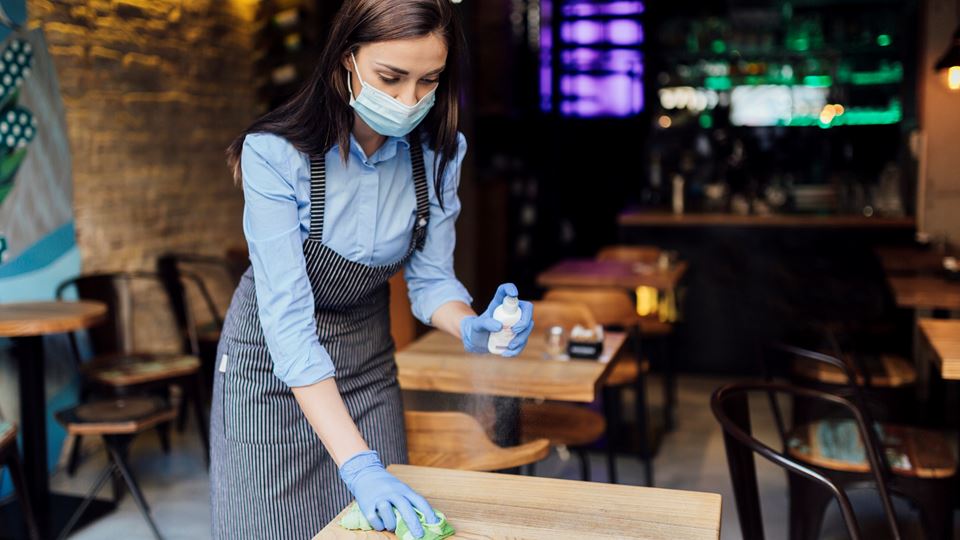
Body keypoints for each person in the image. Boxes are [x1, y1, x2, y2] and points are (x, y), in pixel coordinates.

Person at [211, 1, 534, 538]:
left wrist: (469, 324)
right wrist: (359, 465)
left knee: (386, 529)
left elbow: (431, 281)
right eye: (391, 77)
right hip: (268, 369)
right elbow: (288, 322)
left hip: (367, 365)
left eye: (428, 80)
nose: (410, 100)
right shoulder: (275, 153)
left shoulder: (439, 153)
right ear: (346, 60)